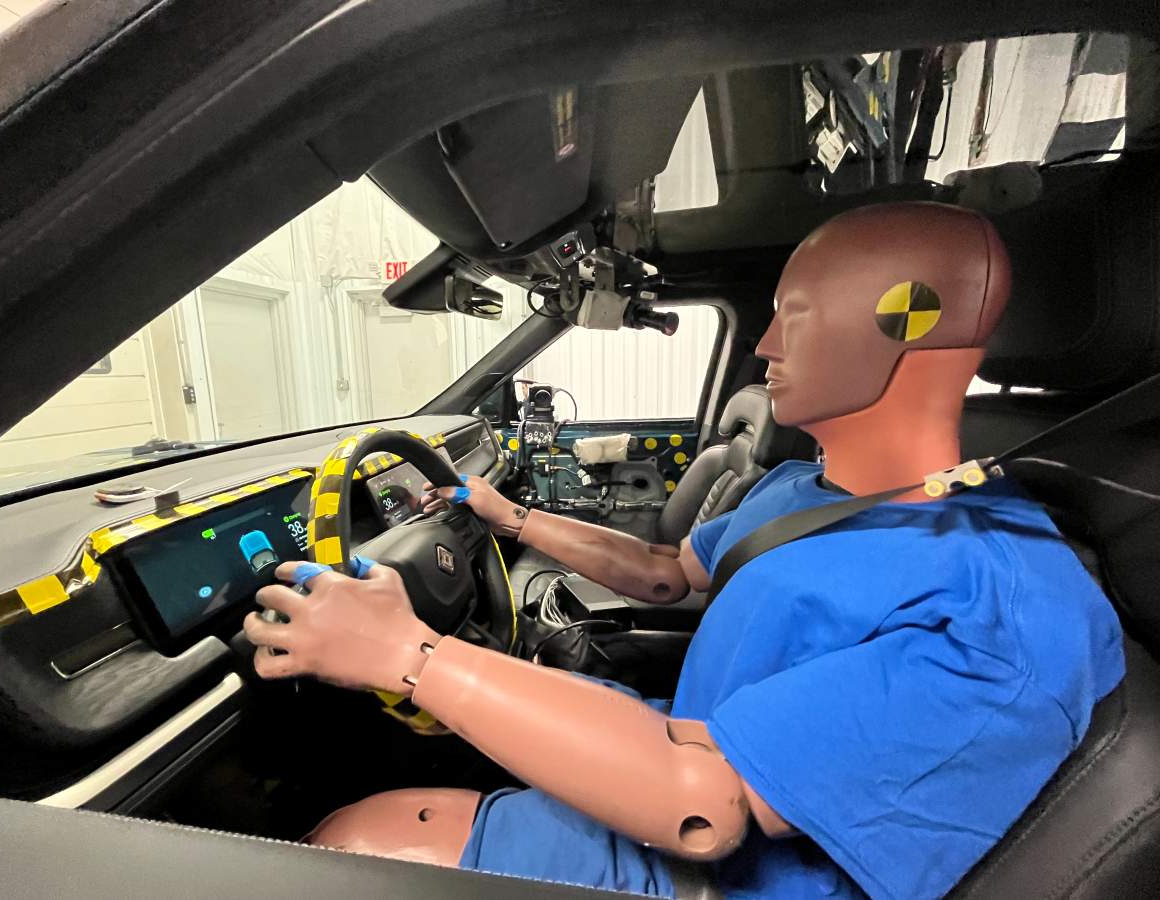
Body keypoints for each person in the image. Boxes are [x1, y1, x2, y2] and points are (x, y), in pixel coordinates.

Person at [243, 203, 1125, 899]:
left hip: (723, 869)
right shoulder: (804, 489)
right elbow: (667, 576)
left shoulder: (1005, 606)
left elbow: (704, 808)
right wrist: (509, 520)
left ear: (902, 325)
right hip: (688, 756)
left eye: (797, 316)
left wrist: (407, 653)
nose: (766, 345)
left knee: (356, 849)